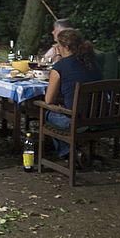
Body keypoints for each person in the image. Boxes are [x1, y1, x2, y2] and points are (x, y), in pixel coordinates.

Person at [43, 28, 102, 159]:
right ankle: (73, 152)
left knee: (46, 113)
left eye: (58, 45)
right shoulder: (93, 62)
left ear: (66, 47)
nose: (57, 48)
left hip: (75, 120)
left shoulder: (60, 67)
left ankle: (70, 153)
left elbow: (48, 101)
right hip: (99, 117)